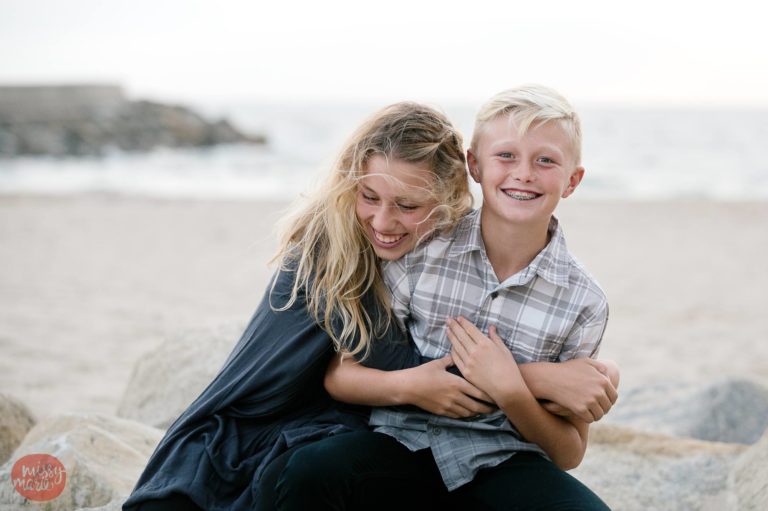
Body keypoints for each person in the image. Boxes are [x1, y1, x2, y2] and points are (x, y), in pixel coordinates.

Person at [122, 102, 489, 511]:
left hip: (320, 427)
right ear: (350, 184)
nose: (383, 222)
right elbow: (402, 361)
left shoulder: (447, 253)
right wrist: (546, 380)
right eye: (369, 196)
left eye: (407, 206)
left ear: (449, 197)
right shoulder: (331, 248)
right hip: (245, 432)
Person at [273, 84, 617, 511]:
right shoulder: (421, 251)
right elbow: (342, 374)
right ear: (474, 164)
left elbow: (568, 453)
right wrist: (413, 387)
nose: (524, 173)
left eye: (545, 160)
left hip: (502, 460)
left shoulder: (583, 301)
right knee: (311, 470)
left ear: (573, 180)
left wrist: (512, 391)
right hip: (401, 445)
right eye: (506, 155)